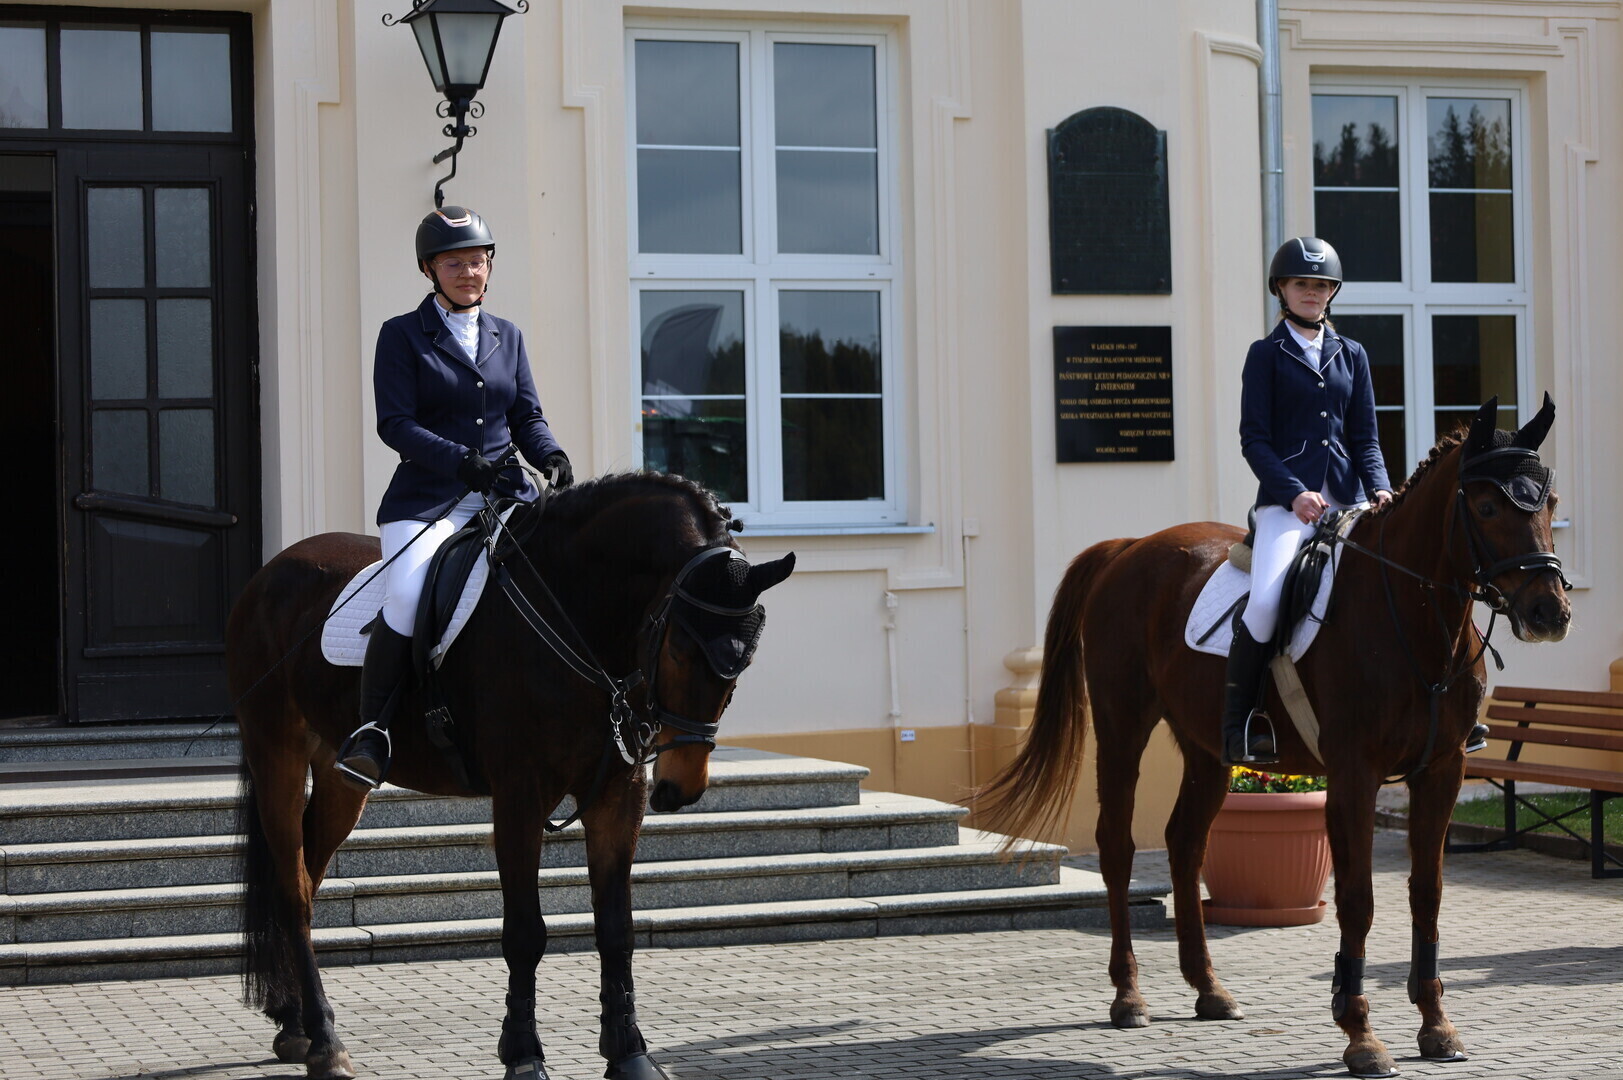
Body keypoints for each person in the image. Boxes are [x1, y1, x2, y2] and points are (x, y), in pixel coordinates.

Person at [336, 206, 573, 790]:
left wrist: (550, 456)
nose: (469, 272)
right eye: (454, 263)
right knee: (409, 595)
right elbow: (395, 424)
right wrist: (462, 461)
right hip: (428, 498)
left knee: (557, 579)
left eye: (477, 260)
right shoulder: (400, 335)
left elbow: (526, 416)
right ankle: (373, 732)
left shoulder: (507, 335)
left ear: (489, 265)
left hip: (505, 495)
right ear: (429, 270)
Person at [1223, 236, 1393, 766]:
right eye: (1303, 284)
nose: (1312, 293)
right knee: (1267, 601)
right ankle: (1240, 723)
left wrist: (1381, 488)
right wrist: (1293, 493)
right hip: (1286, 508)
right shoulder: (1265, 355)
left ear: (1332, 292)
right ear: (1282, 289)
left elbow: (1365, 437)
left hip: (1349, 504)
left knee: (1401, 583)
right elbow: (1254, 440)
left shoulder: (1353, 355)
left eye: (1321, 285)